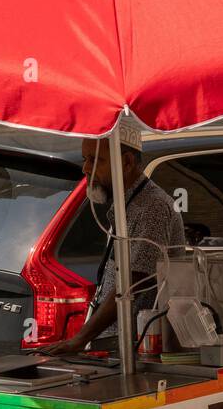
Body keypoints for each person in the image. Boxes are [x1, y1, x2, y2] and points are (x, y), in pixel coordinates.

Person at [41, 138, 185, 356]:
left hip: (139, 346)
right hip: (116, 344)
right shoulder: (128, 203)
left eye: (95, 160)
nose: (86, 168)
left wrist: (80, 339)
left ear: (126, 163)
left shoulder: (152, 207)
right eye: (85, 159)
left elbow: (130, 283)